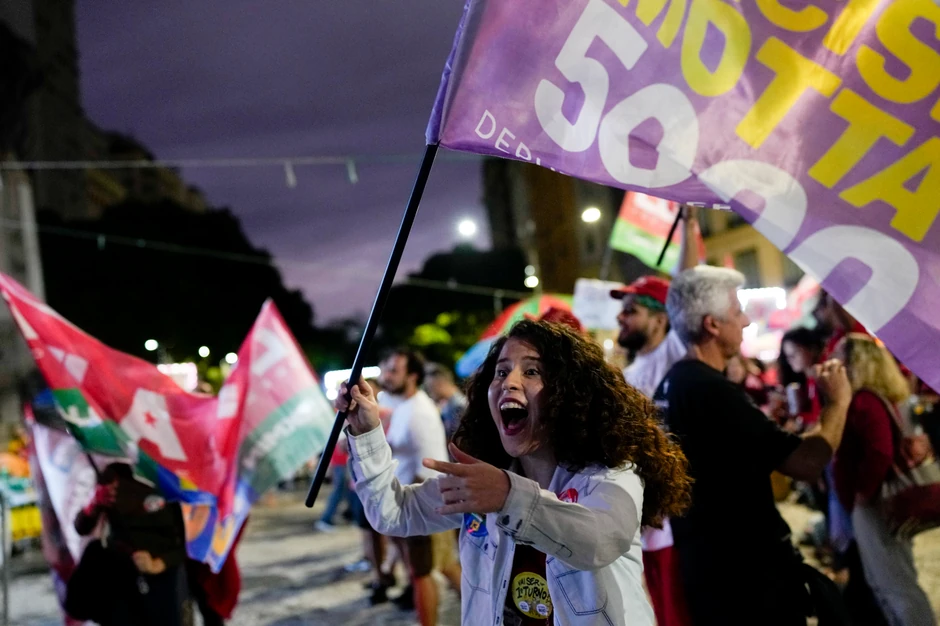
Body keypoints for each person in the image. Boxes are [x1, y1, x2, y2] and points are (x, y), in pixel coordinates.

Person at [338, 319, 693, 626]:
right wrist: (365, 431)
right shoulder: (483, 481)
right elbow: (394, 512)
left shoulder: (611, 475)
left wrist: (510, 497)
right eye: (502, 371)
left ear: (570, 395)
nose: (509, 382)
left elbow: (599, 541)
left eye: (532, 371)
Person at [654, 266, 852, 625]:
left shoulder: (673, 384)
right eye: (737, 312)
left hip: (709, 569)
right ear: (712, 325)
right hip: (747, 578)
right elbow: (806, 462)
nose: (746, 322)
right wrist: (838, 402)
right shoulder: (708, 389)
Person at [608, 205, 700, 626]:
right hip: (644, 517)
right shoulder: (626, 376)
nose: (620, 317)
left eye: (631, 310)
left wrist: (691, 228)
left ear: (662, 319)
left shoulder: (674, 353)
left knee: (680, 609)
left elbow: (686, 291)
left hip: (679, 519)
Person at [832, 334, 936, 626]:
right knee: (893, 578)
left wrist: (864, 493)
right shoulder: (879, 397)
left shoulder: (865, 400)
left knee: (893, 581)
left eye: (839, 358)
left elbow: (880, 450)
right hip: (878, 499)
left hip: (875, 502)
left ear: (855, 363)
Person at [378, 348, 449, 625]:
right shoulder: (399, 405)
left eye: (394, 370)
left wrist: (418, 515)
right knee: (440, 566)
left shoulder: (419, 411)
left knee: (423, 573)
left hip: (422, 504)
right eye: (385, 368)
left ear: (412, 376)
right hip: (407, 502)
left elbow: (430, 465)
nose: (386, 375)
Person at [73, 462, 189, 626]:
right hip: (121, 580)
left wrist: (158, 564)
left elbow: (193, 540)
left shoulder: (172, 473)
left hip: (166, 580)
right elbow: (82, 527)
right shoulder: (115, 473)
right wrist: (94, 503)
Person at [424, 363, 468, 442]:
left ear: (440, 384)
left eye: (430, 388)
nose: (430, 394)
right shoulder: (449, 405)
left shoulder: (459, 406)